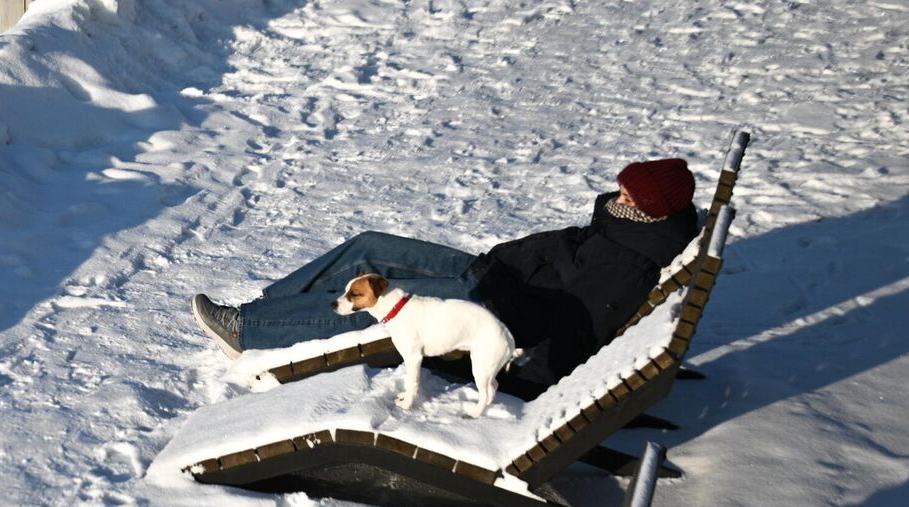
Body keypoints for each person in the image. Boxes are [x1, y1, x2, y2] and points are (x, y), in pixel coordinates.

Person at [192, 158, 701, 389]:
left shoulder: (628, 259)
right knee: (368, 245)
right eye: (622, 188)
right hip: (491, 275)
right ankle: (264, 312)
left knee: (383, 309)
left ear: (652, 211)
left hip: (491, 308)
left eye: (629, 196)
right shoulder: (626, 226)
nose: (618, 197)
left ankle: (248, 331)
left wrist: (514, 375)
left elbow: (579, 325)